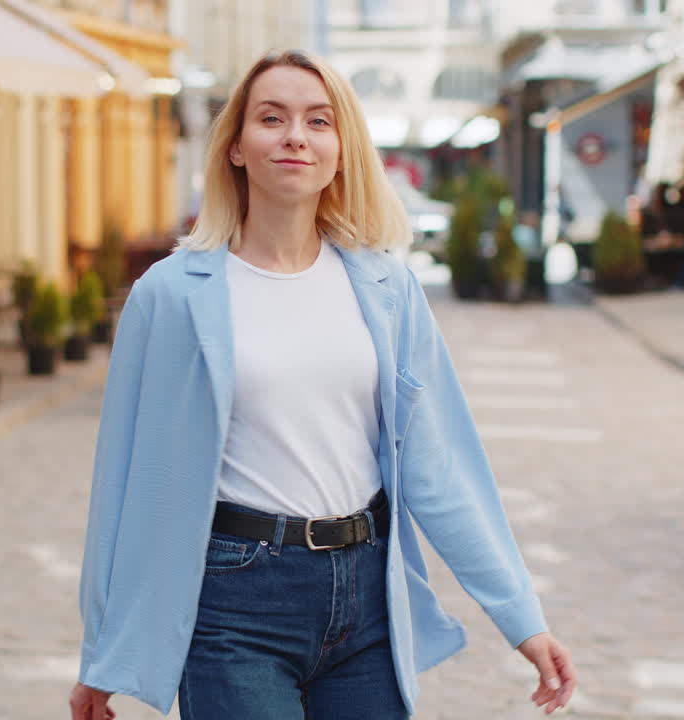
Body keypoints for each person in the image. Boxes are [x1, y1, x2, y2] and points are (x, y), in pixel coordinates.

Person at [69, 49, 577, 720]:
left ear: (342, 150)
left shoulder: (387, 288)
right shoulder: (169, 296)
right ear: (237, 147)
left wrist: (522, 617)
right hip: (233, 604)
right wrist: (101, 651)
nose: (294, 136)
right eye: (271, 118)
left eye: (318, 121)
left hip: (367, 600)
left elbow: (440, 465)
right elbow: (124, 485)